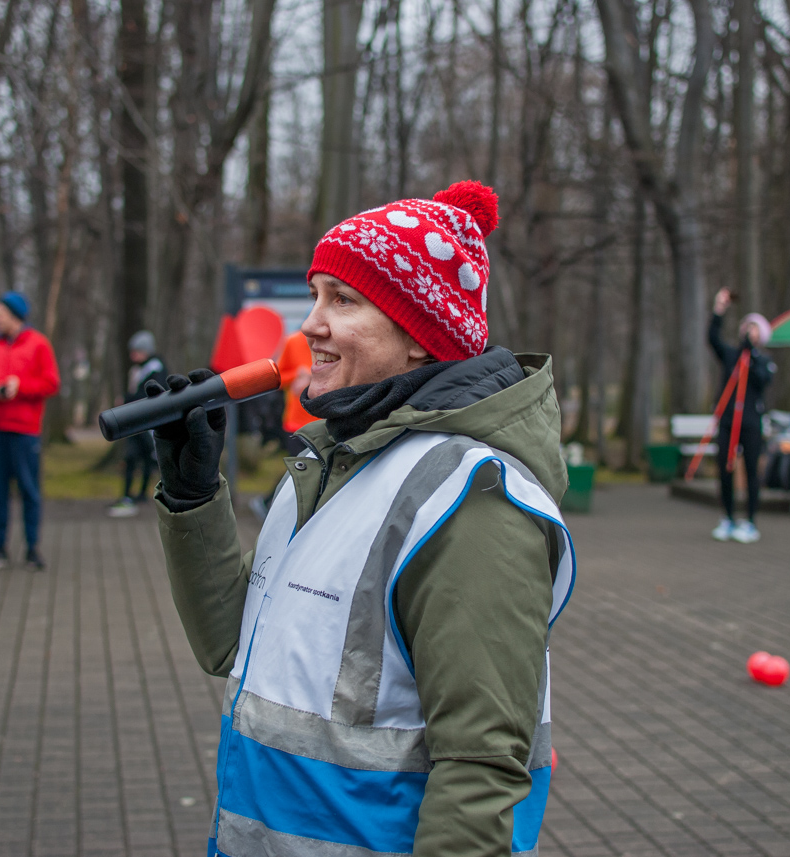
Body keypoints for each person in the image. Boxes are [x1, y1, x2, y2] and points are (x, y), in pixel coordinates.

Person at [151, 181, 575, 856]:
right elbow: (233, 646)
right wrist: (193, 492)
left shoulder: (471, 499)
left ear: (419, 337)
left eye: (343, 300)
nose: (310, 323)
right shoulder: (326, 464)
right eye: (316, 295)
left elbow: (482, 769)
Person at [0, 292, 59, 570]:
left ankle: (32, 548)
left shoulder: (38, 344)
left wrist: (21, 386)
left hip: (26, 430)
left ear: (14, 315)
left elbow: (51, 382)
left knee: (29, 489)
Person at [709, 288, 776, 544]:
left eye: (754, 327)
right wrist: (719, 311)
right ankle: (727, 517)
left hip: (750, 423)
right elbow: (712, 339)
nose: (749, 331)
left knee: (751, 471)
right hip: (728, 422)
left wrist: (751, 354)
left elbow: (762, 381)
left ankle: (750, 521)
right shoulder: (731, 356)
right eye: (746, 326)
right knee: (725, 470)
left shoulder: (764, 361)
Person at [248, 331, 318, 521]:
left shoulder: (335, 339)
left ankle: (270, 504)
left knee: (309, 470)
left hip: (324, 420)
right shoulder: (293, 341)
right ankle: (268, 504)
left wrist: (313, 376)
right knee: (300, 469)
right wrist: (297, 375)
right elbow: (278, 378)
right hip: (297, 423)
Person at [108, 331, 168, 518]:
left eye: (137, 351)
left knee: (146, 457)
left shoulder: (156, 369)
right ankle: (128, 494)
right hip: (137, 421)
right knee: (133, 457)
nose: (133, 355)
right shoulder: (137, 369)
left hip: (149, 422)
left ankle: (141, 493)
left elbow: (147, 395)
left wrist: (126, 400)